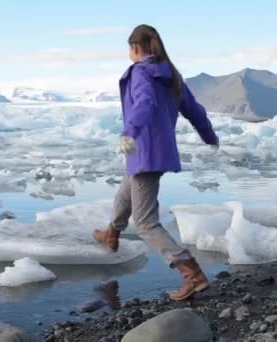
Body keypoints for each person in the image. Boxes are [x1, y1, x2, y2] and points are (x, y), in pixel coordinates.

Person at [93, 24, 219, 301]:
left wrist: (129, 133)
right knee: (126, 191)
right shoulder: (171, 75)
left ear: (135, 48)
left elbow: (144, 104)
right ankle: (112, 233)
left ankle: (192, 273)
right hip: (159, 152)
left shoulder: (141, 72)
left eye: (129, 48)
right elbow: (194, 111)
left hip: (144, 150)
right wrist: (209, 136)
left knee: (146, 223)